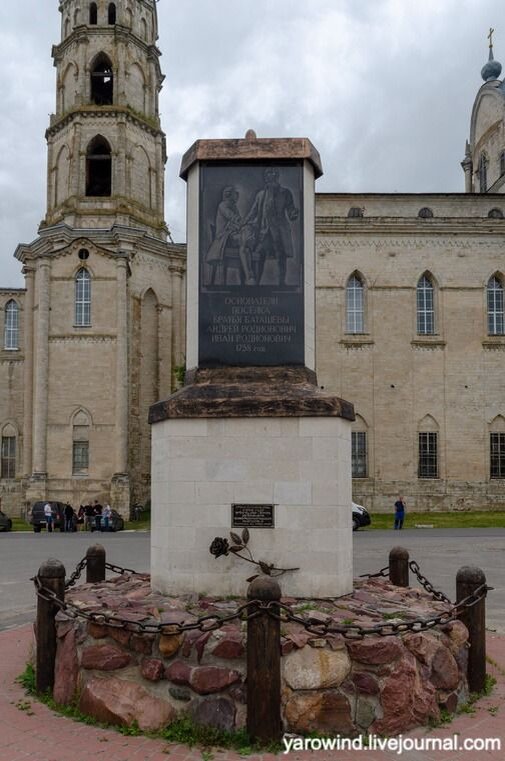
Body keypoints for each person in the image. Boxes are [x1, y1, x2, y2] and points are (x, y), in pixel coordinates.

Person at [241, 167, 299, 286]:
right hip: (264, 230)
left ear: (276, 176)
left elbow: (291, 210)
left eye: (270, 173)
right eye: (266, 174)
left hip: (279, 230)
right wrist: (244, 222)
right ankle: (256, 283)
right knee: (260, 254)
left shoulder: (285, 193)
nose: (267, 176)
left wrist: (294, 214)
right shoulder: (261, 194)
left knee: (281, 255)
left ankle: (281, 283)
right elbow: (253, 212)